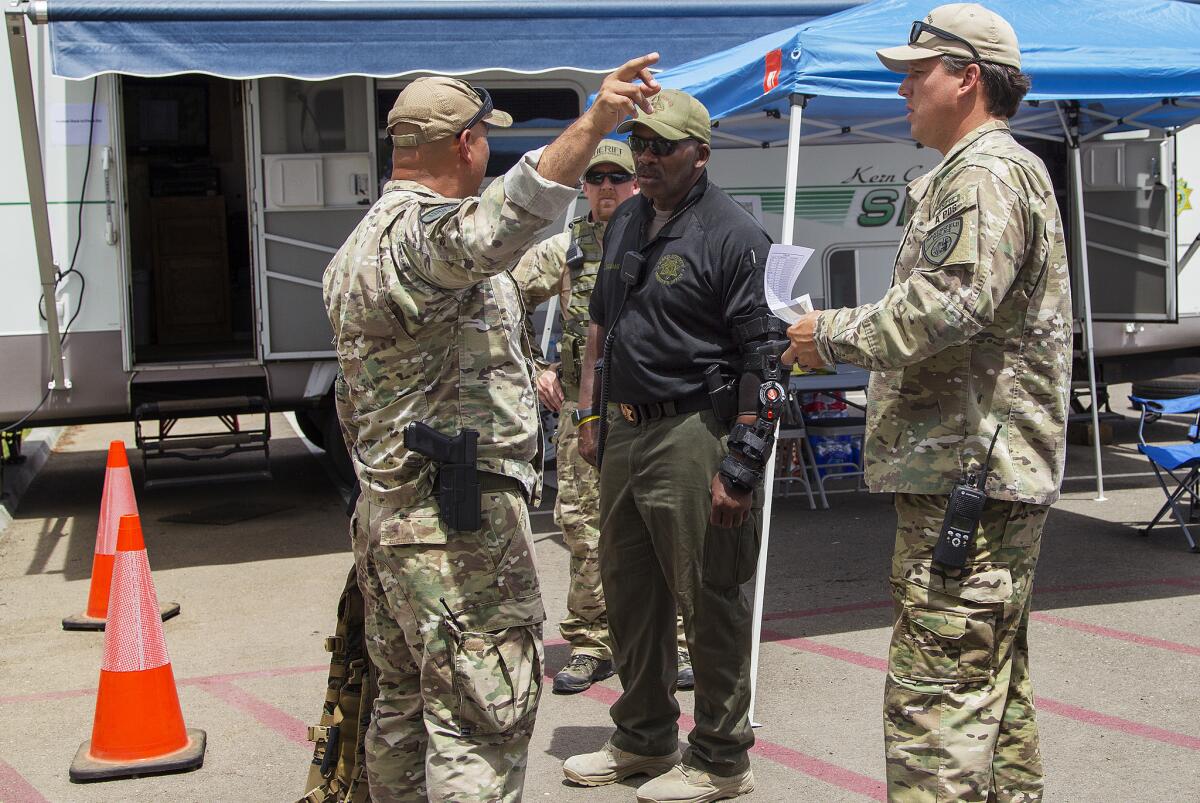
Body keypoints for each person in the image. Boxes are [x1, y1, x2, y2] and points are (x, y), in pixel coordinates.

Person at [322, 56, 660, 802]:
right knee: (481, 719)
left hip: (390, 521)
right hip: (453, 530)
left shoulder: (357, 249)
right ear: (466, 143)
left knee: (403, 721)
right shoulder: (420, 240)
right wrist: (598, 121)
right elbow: (516, 210)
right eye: (484, 139)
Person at [782, 5, 1071, 800]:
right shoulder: (987, 170)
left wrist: (829, 334)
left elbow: (951, 304)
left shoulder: (981, 174)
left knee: (936, 707)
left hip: (969, 476)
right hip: (978, 475)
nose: (905, 88)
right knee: (990, 692)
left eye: (920, 72)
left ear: (969, 78)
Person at [564, 89, 780, 802]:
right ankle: (644, 735)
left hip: (694, 431)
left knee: (710, 592)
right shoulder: (625, 218)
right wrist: (591, 418)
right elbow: (601, 325)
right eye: (641, 143)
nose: (647, 156)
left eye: (663, 145)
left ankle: (721, 755)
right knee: (628, 592)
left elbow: (764, 360)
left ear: (701, 154)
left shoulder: (733, 234)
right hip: (623, 429)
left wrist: (742, 463)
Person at [513, 140, 693, 695]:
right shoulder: (563, 251)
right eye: (597, 179)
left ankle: (679, 642)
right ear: (583, 188)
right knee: (584, 529)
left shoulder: (666, 240)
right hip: (582, 412)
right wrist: (535, 363)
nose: (608, 188)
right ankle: (592, 643)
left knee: (665, 524)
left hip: (655, 411)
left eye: (619, 177)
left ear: (636, 183)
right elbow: (500, 300)